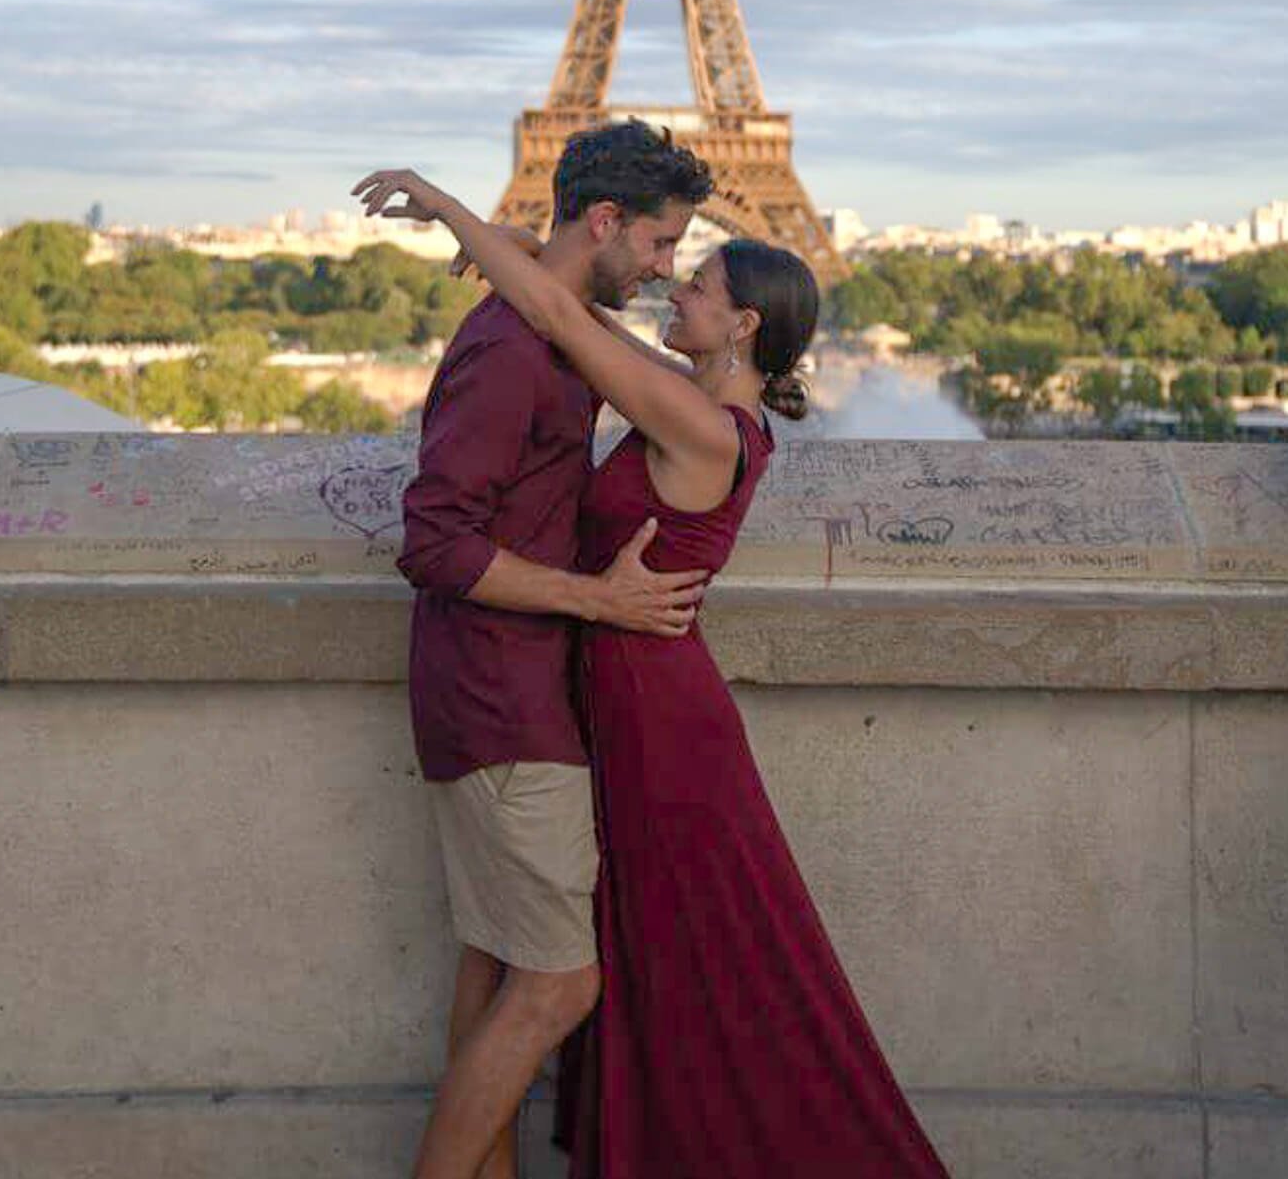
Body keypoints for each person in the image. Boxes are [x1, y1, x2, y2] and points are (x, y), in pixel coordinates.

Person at [353, 163, 953, 1179]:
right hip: (612, 698)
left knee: (636, 962)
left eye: (698, 281)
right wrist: (505, 241)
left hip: (654, 717)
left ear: (743, 325)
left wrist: (450, 206)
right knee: (599, 960)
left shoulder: (700, 424)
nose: (675, 286)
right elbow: (554, 299)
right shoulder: (688, 394)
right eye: (672, 258)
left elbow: (555, 304)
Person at [354, 121, 714, 1179]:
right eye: (656, 243)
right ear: (604, 220)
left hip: (500, 690)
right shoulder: (514, 351)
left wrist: (483, 224)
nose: (661, 268)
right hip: (507, 700)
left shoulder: (546, 327)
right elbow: (434, 541)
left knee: (499, 967)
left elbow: (551, 288)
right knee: (561, 982)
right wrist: (596, 598)